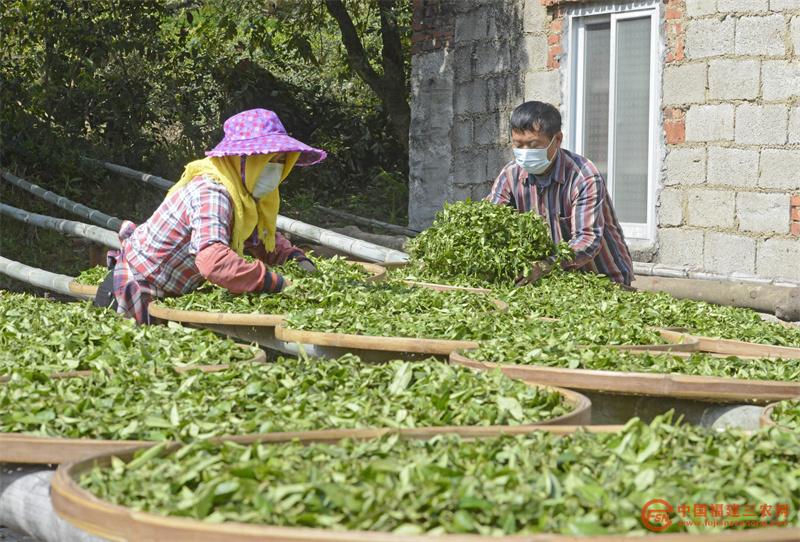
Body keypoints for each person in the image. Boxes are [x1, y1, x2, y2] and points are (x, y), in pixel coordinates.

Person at [94, 108, 326, 324]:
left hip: (166, 293)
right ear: (242, 159)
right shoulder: (212, 192)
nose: (275, 168)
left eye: (280, 161)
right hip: (131, 293)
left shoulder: (243, 195)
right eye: (268, 160)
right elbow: (213, 262)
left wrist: (295, 258)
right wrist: (275, 282)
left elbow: (260, 237)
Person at [485, 100, 633, 286]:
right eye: (518, 145)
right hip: (551, 281)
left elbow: (587, 240)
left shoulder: (583, 176)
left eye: (533, 145)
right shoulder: (510, 175)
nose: (525, 152)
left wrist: (545, 266)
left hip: (602, 279)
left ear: (557, 140)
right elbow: (490, 220)